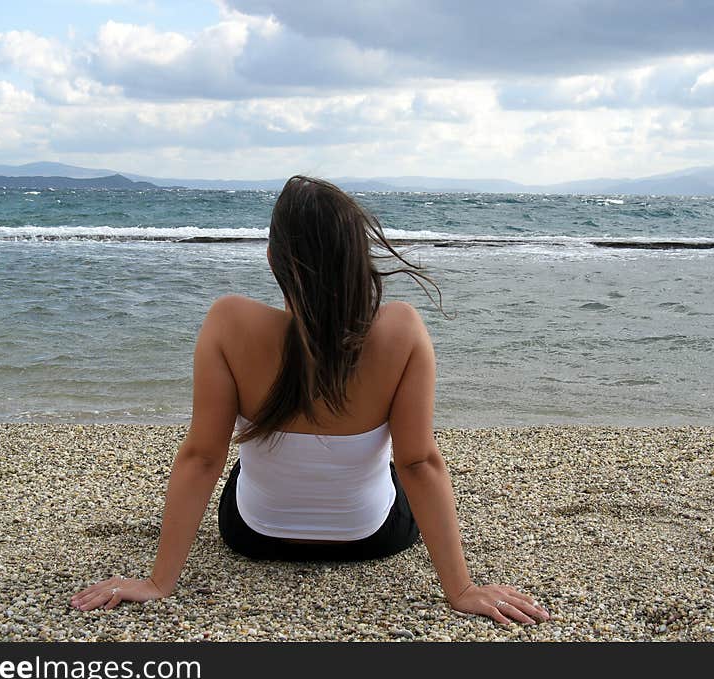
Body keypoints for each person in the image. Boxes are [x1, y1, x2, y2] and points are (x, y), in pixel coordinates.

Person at [71, 176, 549, 626]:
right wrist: (460, 589)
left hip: (254, 536)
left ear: (272, 256)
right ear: (356, 258)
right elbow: (419, 461)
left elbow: (202, 457)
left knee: (246, 461)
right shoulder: (402, 328)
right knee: (384, 466)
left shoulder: (228, 322)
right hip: (369, 540)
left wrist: (159, 581)